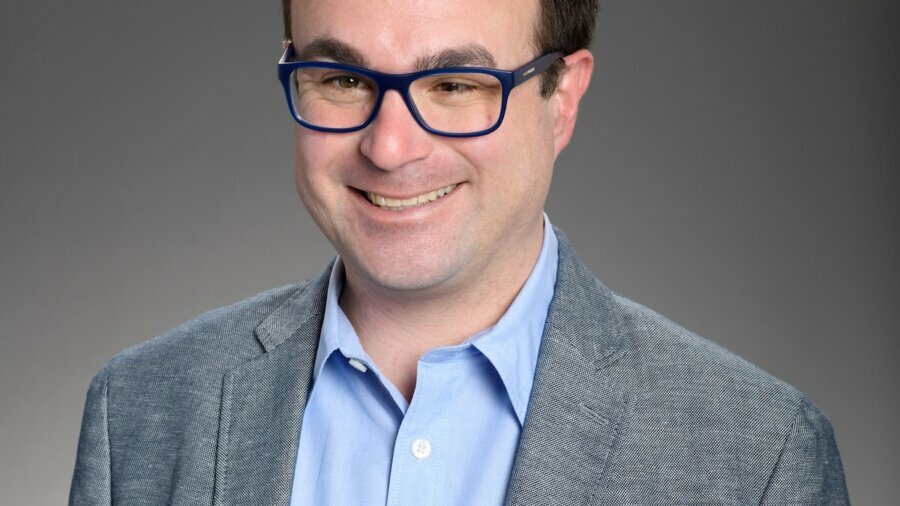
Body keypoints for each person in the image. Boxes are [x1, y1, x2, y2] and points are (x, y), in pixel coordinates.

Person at [69, 0, 850, 504]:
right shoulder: (140, 412)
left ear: (562, 99)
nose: (390, 146)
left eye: (455, 86)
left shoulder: (759, 459)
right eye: (342, 78)